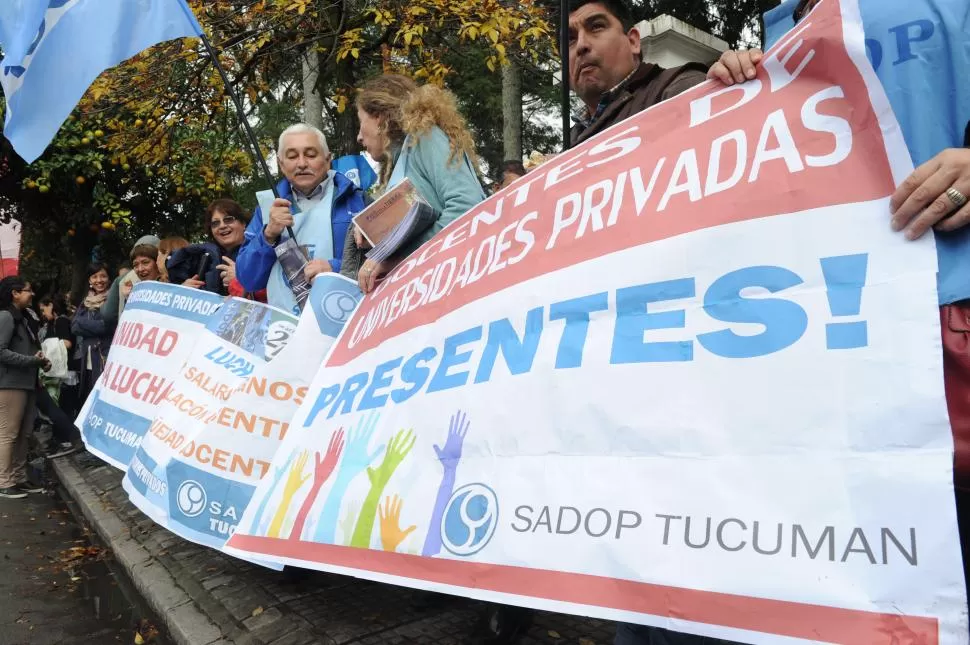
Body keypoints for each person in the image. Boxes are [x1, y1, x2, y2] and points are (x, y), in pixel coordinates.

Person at [347, 73, 487, 293]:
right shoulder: (402, 158)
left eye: (360, 122)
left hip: (454, 283)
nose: (359, 137)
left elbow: (467, 207)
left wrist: (400, 258)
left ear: (379, 117)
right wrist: (372, 231)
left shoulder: (425, 138)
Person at [236, 124, 368, 313]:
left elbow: (382, 258)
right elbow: (248, 279)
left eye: (311, 154)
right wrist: (268, 235)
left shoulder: (356, 200)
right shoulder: (266, 208)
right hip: (286, 329)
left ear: (328, 159)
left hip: (346, 318)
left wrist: (336, 268)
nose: (302, 163)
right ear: (281, 164)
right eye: (292, 156)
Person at [0, 277, 50, 499]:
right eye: (28, 290)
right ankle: (4, 481)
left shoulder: (24, 318)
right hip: (10, 384)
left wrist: (39, 360)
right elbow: (1, 352)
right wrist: (32, 361)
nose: (32, 294)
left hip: (28, 383)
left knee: (24, 433)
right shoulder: (6, 316)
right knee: (8, 434)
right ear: (15, 293)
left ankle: (19, 477)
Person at [168, 199, 267, 301]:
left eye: (228, 219)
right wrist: (183, 290)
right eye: (215, 223)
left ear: (243, 223)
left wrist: (239, 279)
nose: (222, 226)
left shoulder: (264, 251)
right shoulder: (202, 258)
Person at [36, 295, 79, 458]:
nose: (42, 314)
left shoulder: (61, 321)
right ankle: (61, 438)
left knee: (64, 405)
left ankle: (67, 439)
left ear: (51, 306)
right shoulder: (51, 324)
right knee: (58, 404)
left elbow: (67, 343)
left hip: (66, 371)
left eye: (43, 309)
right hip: (58, 371)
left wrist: (50, 347)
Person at [72, 263, 114, 406]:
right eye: (94, 276)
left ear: (109, 278)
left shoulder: (114, 299)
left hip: (105, 357)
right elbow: (74, 327)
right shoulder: (85, 302)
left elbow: (108, 327)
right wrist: (96, 327)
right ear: (89, 280)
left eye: (103, 276)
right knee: (88, 400)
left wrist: (84, 325)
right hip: (87, 360)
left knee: (103, 399)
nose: (99, 280)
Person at [102, 235, 160, 326]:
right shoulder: (128, 285)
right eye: (135, 265)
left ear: (158, 260)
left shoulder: (175, 285)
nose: (140, 269)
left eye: (145, 262)